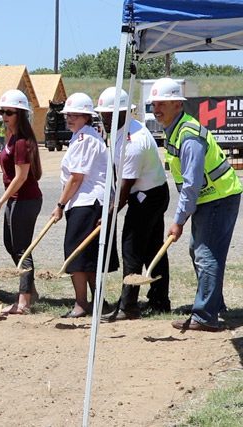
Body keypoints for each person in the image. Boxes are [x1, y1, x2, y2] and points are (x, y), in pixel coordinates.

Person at [148, 78, 242, 332]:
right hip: (208, 197)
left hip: (219, 197)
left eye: (163, 103)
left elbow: (191, 184)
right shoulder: (175, 130)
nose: (157, 108)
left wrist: (178, 221)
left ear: (178, 104)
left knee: (206, 255)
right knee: (198, 251)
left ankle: (206, 315)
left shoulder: (188, 136)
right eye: (155, 103)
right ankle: (213, 304)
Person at [95, 87, 171, 321]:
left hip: (148, 196)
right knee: (152, 249)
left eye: (108, 114)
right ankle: (159, 302)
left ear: (123, 112)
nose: (104, 118)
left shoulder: (134, 141)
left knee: (132, 248)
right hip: (147, 193)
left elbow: (125, 191)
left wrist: (109, 214)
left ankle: (129, 306)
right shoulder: (118, 131)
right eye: (102, 114)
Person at [51, 92, 119, 318]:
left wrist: (60, 204)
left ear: (87, 117)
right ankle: (96, 302)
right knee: (86, 256)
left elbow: (76, 177)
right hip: (84, 202)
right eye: (68, 115)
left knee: (78, 255)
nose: (70, 118)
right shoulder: (81, 137)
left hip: (87, 202)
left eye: (76, 115)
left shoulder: (85, 139)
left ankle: (82, 303)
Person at [0, 90, 42, 315]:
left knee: (22, 249)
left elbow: (21, 177)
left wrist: (0, 202)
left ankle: (24, 302)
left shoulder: (21, 142)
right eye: (2, 111)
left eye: (8, 112)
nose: (4, 116)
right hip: (15, 199)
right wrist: (0, 158)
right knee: (10, 245)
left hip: (25, 200)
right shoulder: (12, 138)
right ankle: (31, 290)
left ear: (19, 114)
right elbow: (11, 164)